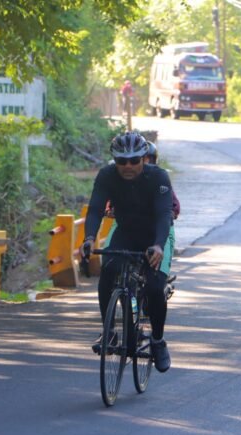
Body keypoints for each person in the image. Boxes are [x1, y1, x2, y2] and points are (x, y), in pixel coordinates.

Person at [80, 132, 174, 373]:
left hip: (155, 236)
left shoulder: (158, 177)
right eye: (122, 161)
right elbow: (95, 211)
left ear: (144, 158)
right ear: (115, 161)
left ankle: (158, 341)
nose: (128, 166)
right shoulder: (107, 176)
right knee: (109, 270)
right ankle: (109, 332)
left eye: (134, 161)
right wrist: (89, 239)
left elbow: (165, 215)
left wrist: (158, 245)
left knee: (154, 288)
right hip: (126, 232)